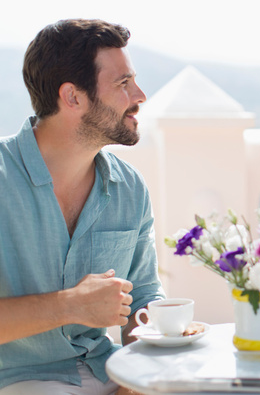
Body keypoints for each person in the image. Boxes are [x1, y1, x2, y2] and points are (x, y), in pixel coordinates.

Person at [0, 19, 165, 394]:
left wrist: (140, 377)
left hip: (108, 371)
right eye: (123, 84)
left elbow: (142, 297)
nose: (139, 95)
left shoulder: (130, 188)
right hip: (17, 379)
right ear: (73, 97)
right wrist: (69, 305)